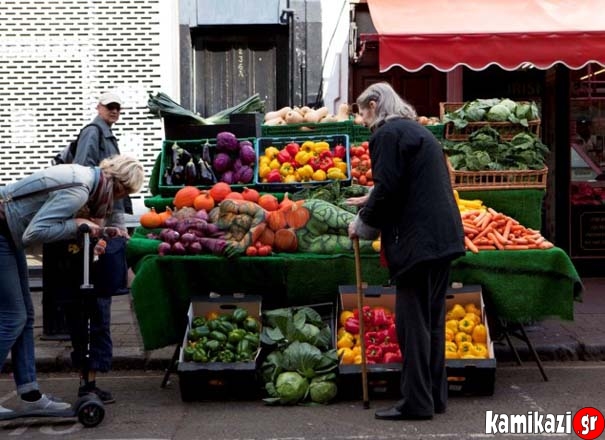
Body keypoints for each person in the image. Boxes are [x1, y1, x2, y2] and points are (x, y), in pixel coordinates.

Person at [346, 82, 465, 421]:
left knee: (412, 326)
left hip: (418, 243)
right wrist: (373, 197)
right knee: (432, 322)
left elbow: (389, 190)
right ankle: (434, 397)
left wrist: (363, 224)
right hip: (442, 238)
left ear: (374, 104)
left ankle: (416, 402)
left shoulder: (385, 135)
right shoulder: (415, 131)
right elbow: (406, 182)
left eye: (363, 112)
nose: (364, 120)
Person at [0, 154, 144, 414]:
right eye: (122, 194)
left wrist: (98, 230)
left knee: (26, 316)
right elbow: (34, 233)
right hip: (3, 232)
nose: (116, 202)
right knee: (13, 317)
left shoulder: (86, 177)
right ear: (118, 185)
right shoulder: (79, 191)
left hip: (8, 233)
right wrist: (76, 224)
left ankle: (30, 395)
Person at [64, 91, 132, 404]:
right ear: (99, 107)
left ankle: (91, 382)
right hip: (90, 231)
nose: (115, 110)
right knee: (93, 308)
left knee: (98, 307)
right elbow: (83, 175)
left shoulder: (108, 134)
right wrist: (97, 227)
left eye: (118, 106)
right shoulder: (93, 133)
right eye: (110, 106)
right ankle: (87, 384)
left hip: (101, 226)